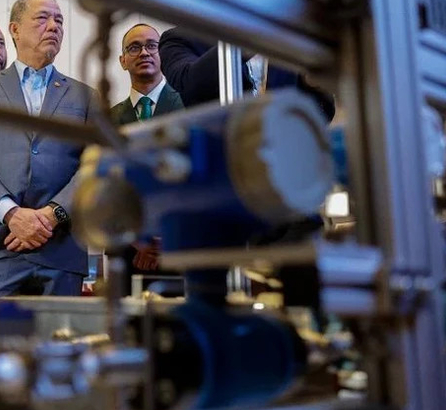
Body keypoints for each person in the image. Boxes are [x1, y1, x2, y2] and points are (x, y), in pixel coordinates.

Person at [0, 0, 98, 296]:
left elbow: (97, 165)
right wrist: (11, 213)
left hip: (62, 252)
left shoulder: (85, 97)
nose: (54, 26)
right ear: (14, 29)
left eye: (59, 20)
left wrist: (52, 215)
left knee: (62, 342)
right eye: (42, 18)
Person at [109, 24, 184, 279]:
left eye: (152, 46)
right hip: (128, 253)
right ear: (122, 61)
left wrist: (168, 236)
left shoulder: (189, 107)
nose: (144, 53)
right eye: (134, 47)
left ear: (162, 54)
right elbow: (105, 184)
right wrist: (137, 240)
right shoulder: (108, 120)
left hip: (182, 248)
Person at [158, 27, 336, 122]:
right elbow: (189, 83)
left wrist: (312, 81)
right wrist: (244, 45)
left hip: (286, 154)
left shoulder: (285, 36)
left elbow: (323, 111)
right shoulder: (177, 39)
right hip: (226, 160)